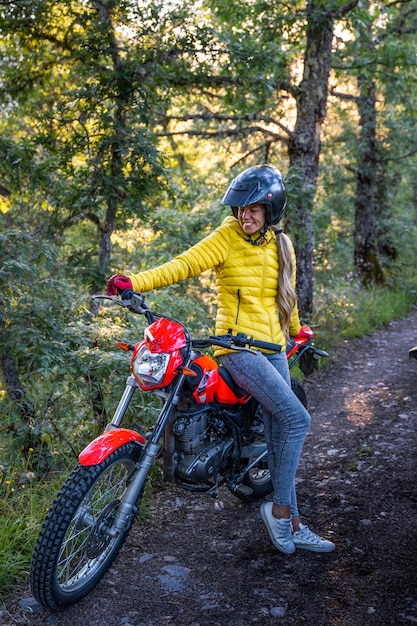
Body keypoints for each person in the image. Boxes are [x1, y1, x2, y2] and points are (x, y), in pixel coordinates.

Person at [106, 164, 335, 555]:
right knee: (298, 418)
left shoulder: (283, 245)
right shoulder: (227, 237)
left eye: (253, 210)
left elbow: (286, 295)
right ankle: (280, 514)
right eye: (240, 209)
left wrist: (297, 331)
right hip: (238, 350)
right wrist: (135, 283)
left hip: (275, 348)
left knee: (281, 433)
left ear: (271, 210)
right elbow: (185, 263)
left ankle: (294, 524)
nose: (244, 216)